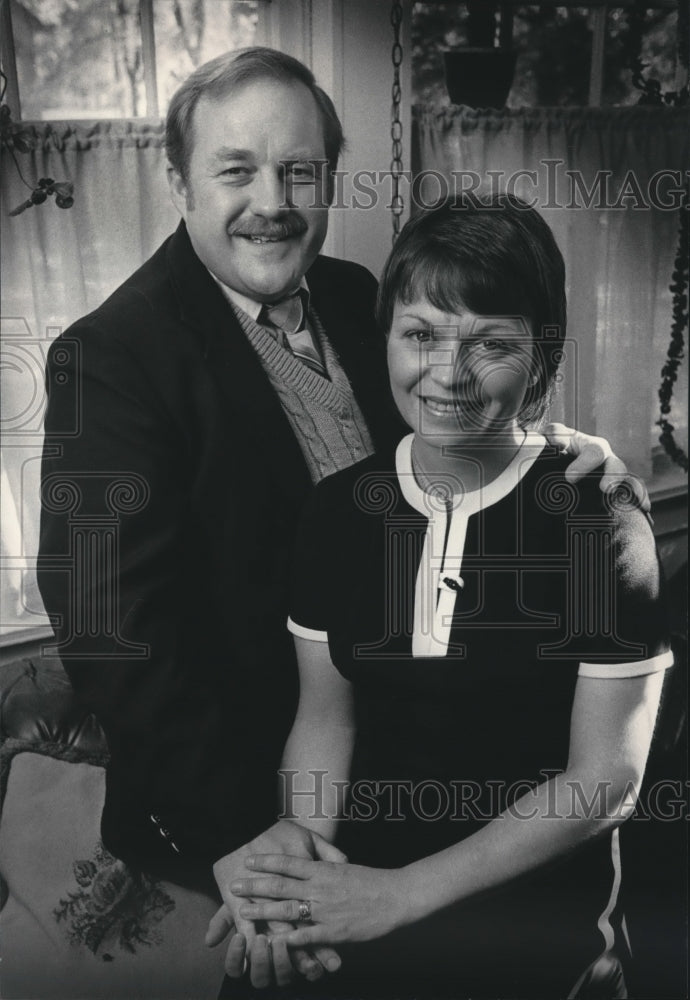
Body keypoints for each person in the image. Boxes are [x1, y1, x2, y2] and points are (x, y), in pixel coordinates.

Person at [37, 48, 645, 990]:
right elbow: (112, 629)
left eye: (299, 171)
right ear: (179, 181)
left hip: (402, 809)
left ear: (327, 179)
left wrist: (555, 454)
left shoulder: (368, 300)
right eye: (236, 169)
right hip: (240, 814)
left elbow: (461, 400)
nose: (271, 200)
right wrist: (254, 848)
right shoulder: (108, 357)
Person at [221, 196, 672, 998]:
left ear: (543, 354)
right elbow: (328, 718)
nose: (447, 374)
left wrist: (398, 897)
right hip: (356, 901)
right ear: (385, 335)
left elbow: (607, 777)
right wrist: (298, 868)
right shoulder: (335, 514)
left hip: (535, 936)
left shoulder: (598, 516)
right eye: (420, 334)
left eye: (492, 343)